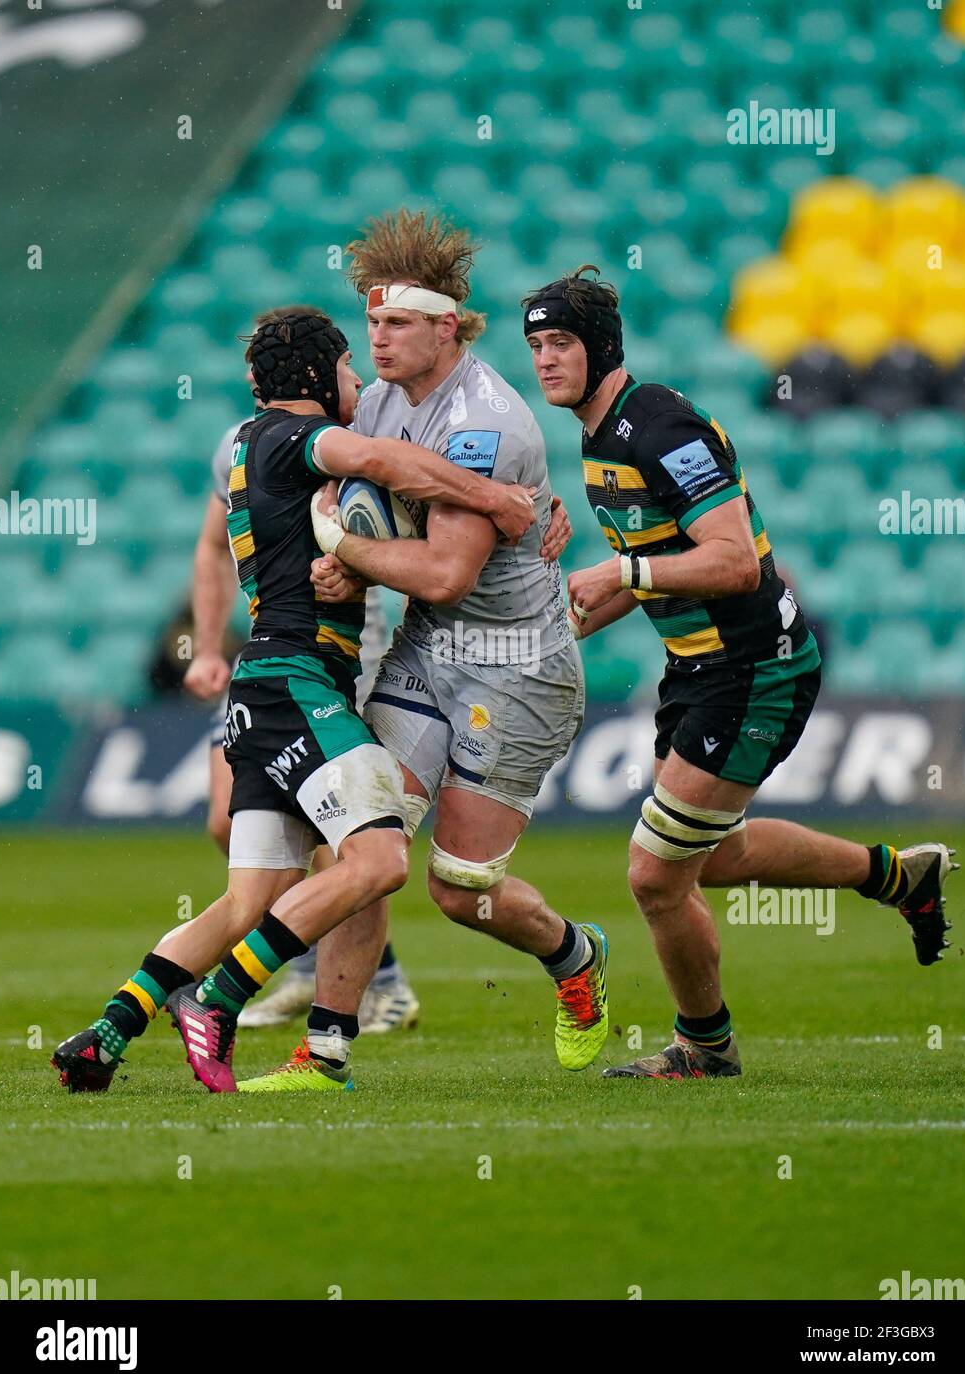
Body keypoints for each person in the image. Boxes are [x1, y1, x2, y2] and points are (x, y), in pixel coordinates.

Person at [52, 307, 536, 1095]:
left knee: (248, 898)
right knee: (377, 858)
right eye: (348, 369)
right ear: (316, 377)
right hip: (298, 683)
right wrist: (500, 499)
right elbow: (384, 459)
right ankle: (221, 997)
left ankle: (107, 1032)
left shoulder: (244, 444)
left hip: (258, 689)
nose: (359, 381)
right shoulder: (296, 439)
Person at [522, 265, 958, 1082]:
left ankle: (703, 1046)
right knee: (709, 860)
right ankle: (899, 877)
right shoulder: (599, 436)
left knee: (654, 876)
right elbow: (652, 558)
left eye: (560, 343)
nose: (544, 360)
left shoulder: (659, 426)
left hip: (755, 666)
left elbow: (731, 563)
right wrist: (559, 625)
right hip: (696, 670)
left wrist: (621, 578)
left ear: (601, 346)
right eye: (536, 345)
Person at [236, 211, 608, 1093]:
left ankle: (576, 955)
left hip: (514, 664)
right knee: (365, 844)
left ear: (446, 325)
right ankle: (324, 1051)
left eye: (396, 324)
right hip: (427, 648)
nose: (377, 339)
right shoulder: (373, 400)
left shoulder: (485, 421)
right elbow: (322, 473)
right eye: (370, 325)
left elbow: (442, 572)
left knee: (458, 887)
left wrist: (348, 551)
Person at [185, 316, 420, 1034]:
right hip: (270, 651)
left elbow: (407, 498)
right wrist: (205, 645)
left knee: (354, 833)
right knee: (234, 827)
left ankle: (366, 989)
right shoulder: (240, 444)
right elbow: (212, 547)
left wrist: (352, 561)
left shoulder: (347, 432)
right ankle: (304, 967)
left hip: (347, 653)